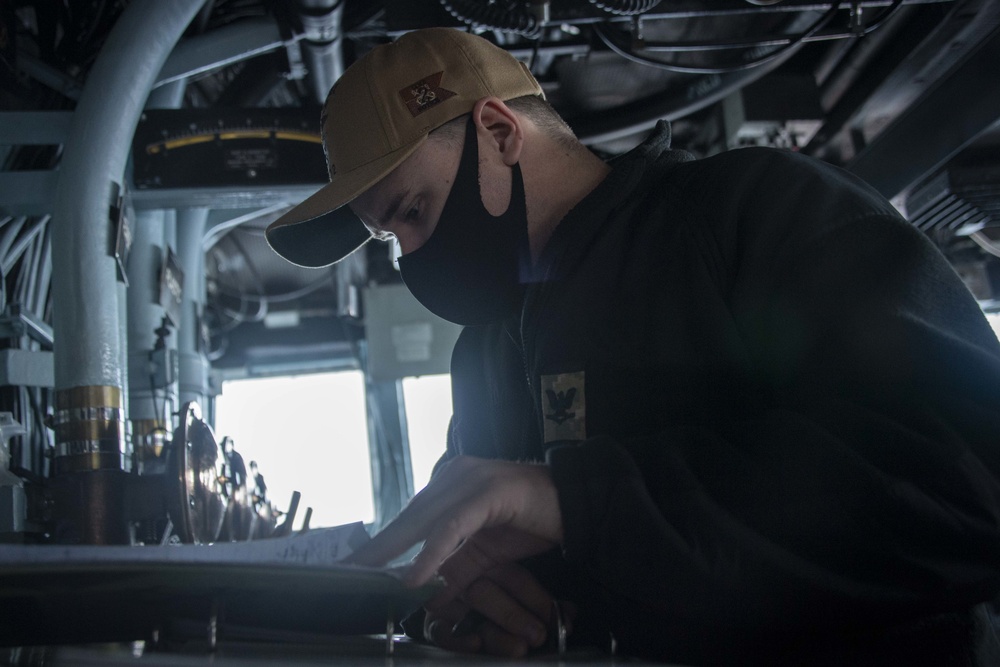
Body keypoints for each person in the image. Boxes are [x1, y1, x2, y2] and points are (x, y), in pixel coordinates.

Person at [266, 27, 1000, 666]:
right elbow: (514, 565)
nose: (410, 256)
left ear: (498, 132)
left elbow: (966, 477)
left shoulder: (754, 211)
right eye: (389, 239)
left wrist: (573, 500)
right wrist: (475, 601)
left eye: (414, 212)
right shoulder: (484, 358)